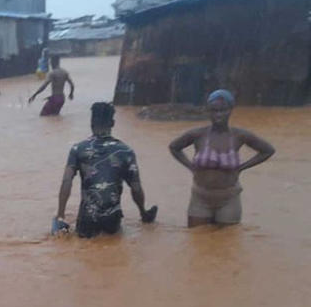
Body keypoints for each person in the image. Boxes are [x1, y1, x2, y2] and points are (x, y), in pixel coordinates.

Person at [169, 89, 275, 227]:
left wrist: (242, 168)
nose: (218, 115)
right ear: (208, 111)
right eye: (214, 110)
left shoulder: (239, 136)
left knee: (226, 242)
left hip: (229, 198)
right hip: (200, 197)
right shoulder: (197, 135)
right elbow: (174, 147)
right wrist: (191, 166)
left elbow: (267, 150)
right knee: (196, 239)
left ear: (231, 110)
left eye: (223, 110)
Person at [54, 102, 157, 238]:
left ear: (91, 123)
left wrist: (60, 215)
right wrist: (143, 213)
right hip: (112, 219)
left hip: (87, 219)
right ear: (113, 123)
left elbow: (67, 181)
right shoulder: (125, 151)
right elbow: (136, 187)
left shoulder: (78, 149)